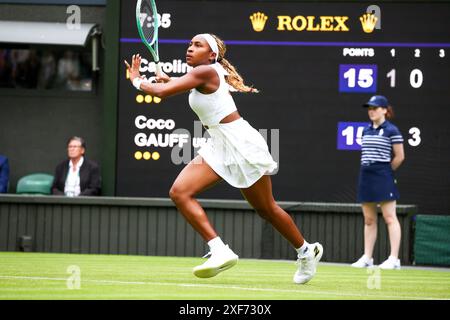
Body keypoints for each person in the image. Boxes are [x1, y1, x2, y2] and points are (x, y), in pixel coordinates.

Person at [124, 33, 323, 283]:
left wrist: (136, 80)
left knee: (267, 209)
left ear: (211, 55)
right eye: (189, 44)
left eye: (198, 45)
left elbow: (162, 92)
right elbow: (178, 86)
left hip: (240, 143)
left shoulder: (205, 72)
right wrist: (171, 80)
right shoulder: (202, 75)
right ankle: (219, 249)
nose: (190, 48)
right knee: (180, 192)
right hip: (218, 144)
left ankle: (307, 251)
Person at [352, 95, 405, 270]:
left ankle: (394, 259)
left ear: (384, 110)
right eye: (369, 108)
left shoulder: (392, 130)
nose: (371, 111)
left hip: (383, 175)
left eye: (375, 108)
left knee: (390, 217)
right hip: (366, 175)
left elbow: (399, 157)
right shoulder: (365, 130)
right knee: (368, 219)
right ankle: (367, 257)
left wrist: (387, 173)